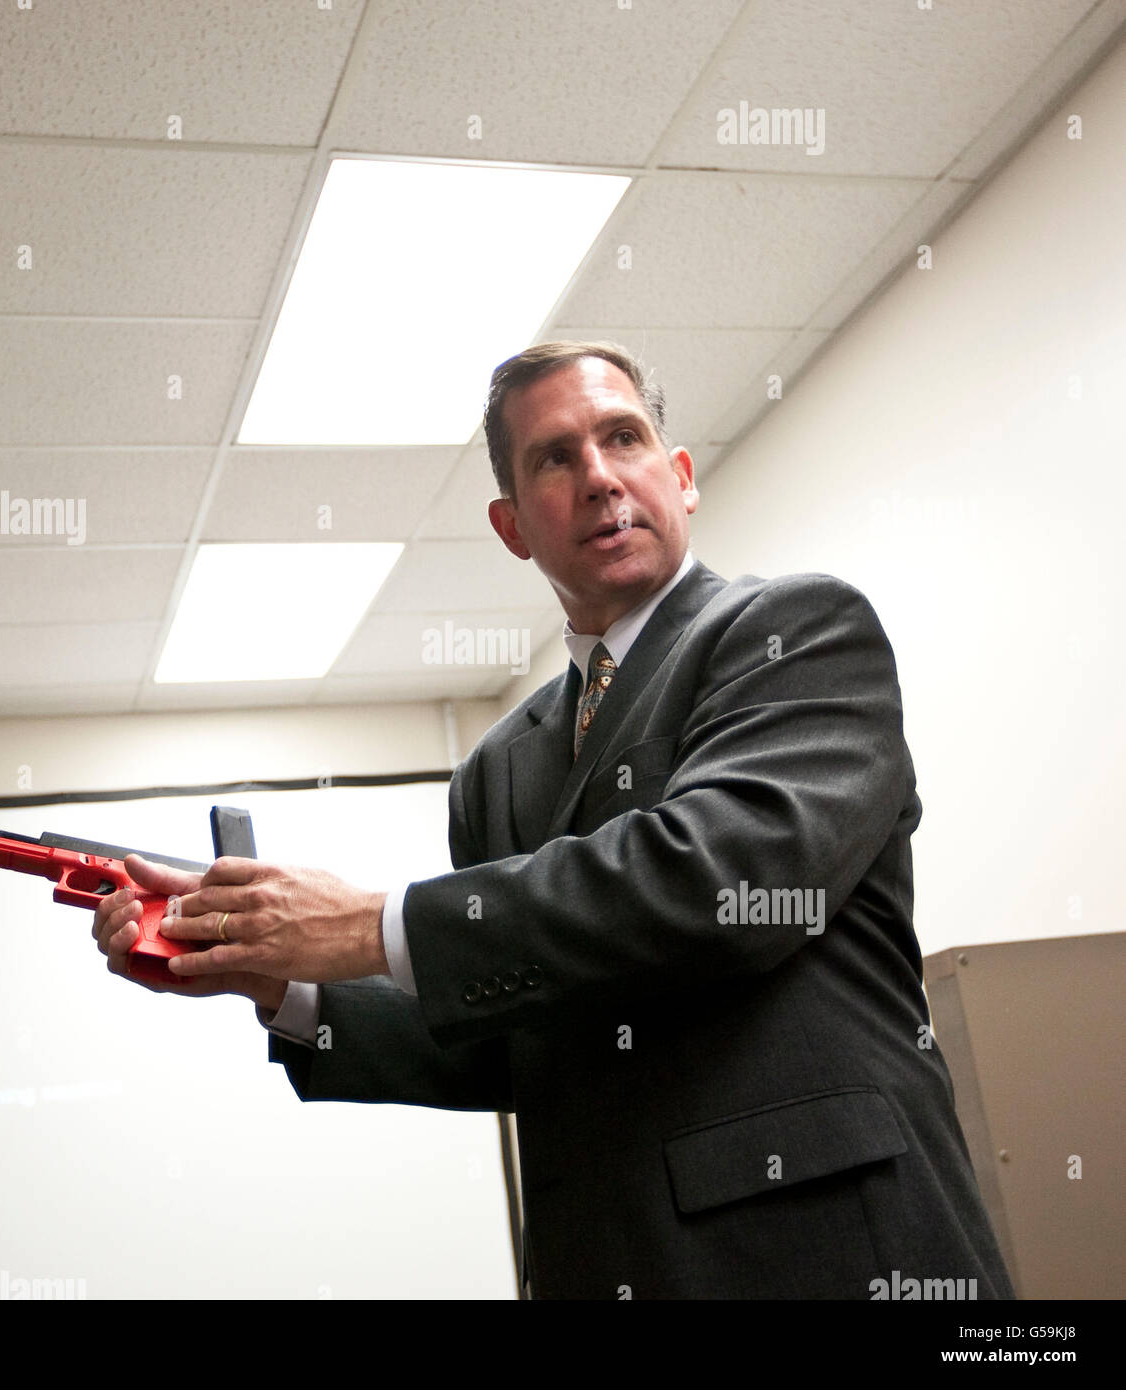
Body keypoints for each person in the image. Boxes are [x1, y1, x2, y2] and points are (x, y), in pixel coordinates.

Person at [93, 340, 1014, 1301]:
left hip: (831, 1260)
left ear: (681, 477)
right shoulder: (494, 773)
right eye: (555, 459)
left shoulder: (796, 633)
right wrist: (283, 982)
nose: (601, 478)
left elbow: (719, 884)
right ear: (512, 527)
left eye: (624, 438)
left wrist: (366, 926)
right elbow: (523, 1039)